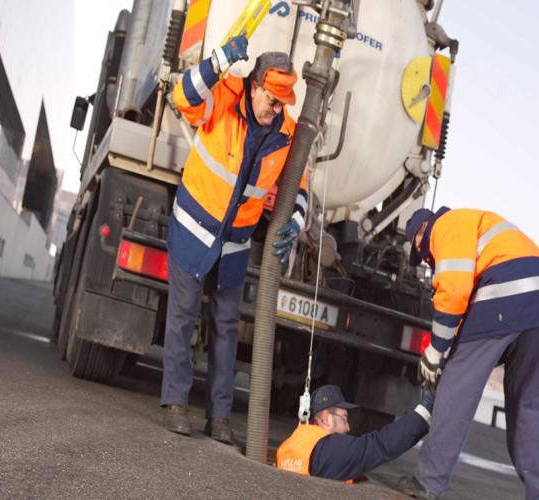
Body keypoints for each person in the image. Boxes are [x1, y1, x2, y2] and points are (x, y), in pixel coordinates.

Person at [160, 36, 309, 444]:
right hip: (193, 229)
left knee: (226, 328)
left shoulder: (287, 134)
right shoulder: (222, 98)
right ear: (256, 85)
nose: (276, 109)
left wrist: (296, 220)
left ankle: (220, 418)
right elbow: (182, 96)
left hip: (234, 245)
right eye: (272, 100)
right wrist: (219, 60)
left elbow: (299, 188)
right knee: (183, 316)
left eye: (283, 103)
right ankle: (175, 403)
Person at [397, 207, 539, 500]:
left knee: (456, 388)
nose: (426, 260)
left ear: (421, 231)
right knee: (526, 403)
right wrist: (448, 348)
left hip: (506, 296)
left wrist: (436, 353)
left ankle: (427, 482)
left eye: (421, 254)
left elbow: (453, 291)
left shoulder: (444, 227)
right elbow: (465, 310)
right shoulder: (474, 227)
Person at [276, 384, 434, 482]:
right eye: (344, 418)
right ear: (325, 418)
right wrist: (424, 414)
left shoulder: (290, 445)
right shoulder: (329, 449)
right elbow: (380, 445)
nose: (348, 428)